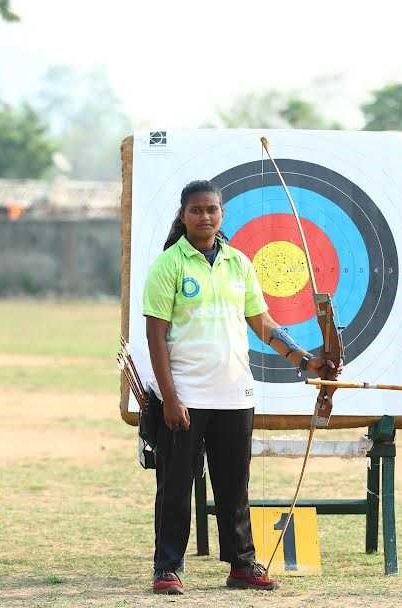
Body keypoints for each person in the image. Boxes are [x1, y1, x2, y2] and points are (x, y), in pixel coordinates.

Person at [142, 179, 336, 595]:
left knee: (234, 486)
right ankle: (167, 568)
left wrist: (304, 359)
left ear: (222, 214)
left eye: (212, 209)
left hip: (234, 394)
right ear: (183, 214)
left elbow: (262, 323)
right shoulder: (169, 265)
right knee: (175, 486)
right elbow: (155, 336)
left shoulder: (238, 263)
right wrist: (171, 398)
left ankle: (242, 565)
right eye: (196, 210)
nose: (205, 216)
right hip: (186, 397)